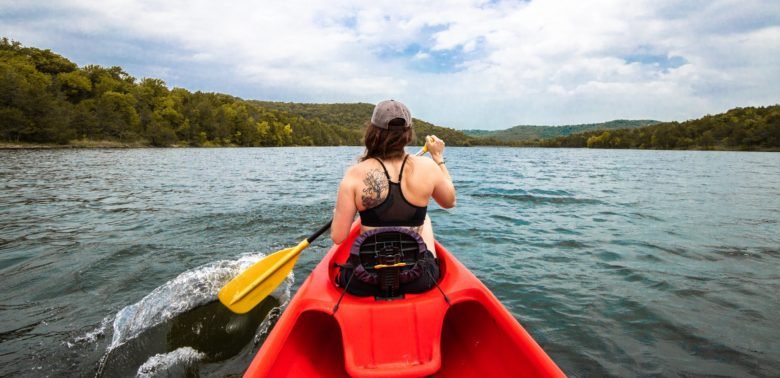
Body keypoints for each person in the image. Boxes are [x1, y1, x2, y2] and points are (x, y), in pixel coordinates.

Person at [331, 99, 456, 295]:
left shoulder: (355, 174)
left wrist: (341, 210)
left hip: (363, 280)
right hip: (419, 278)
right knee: (425, 218)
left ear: (372, 132)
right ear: (407, 134)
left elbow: (338, 237)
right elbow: (450, 201)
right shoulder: (428, 168)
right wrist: (438, 159)